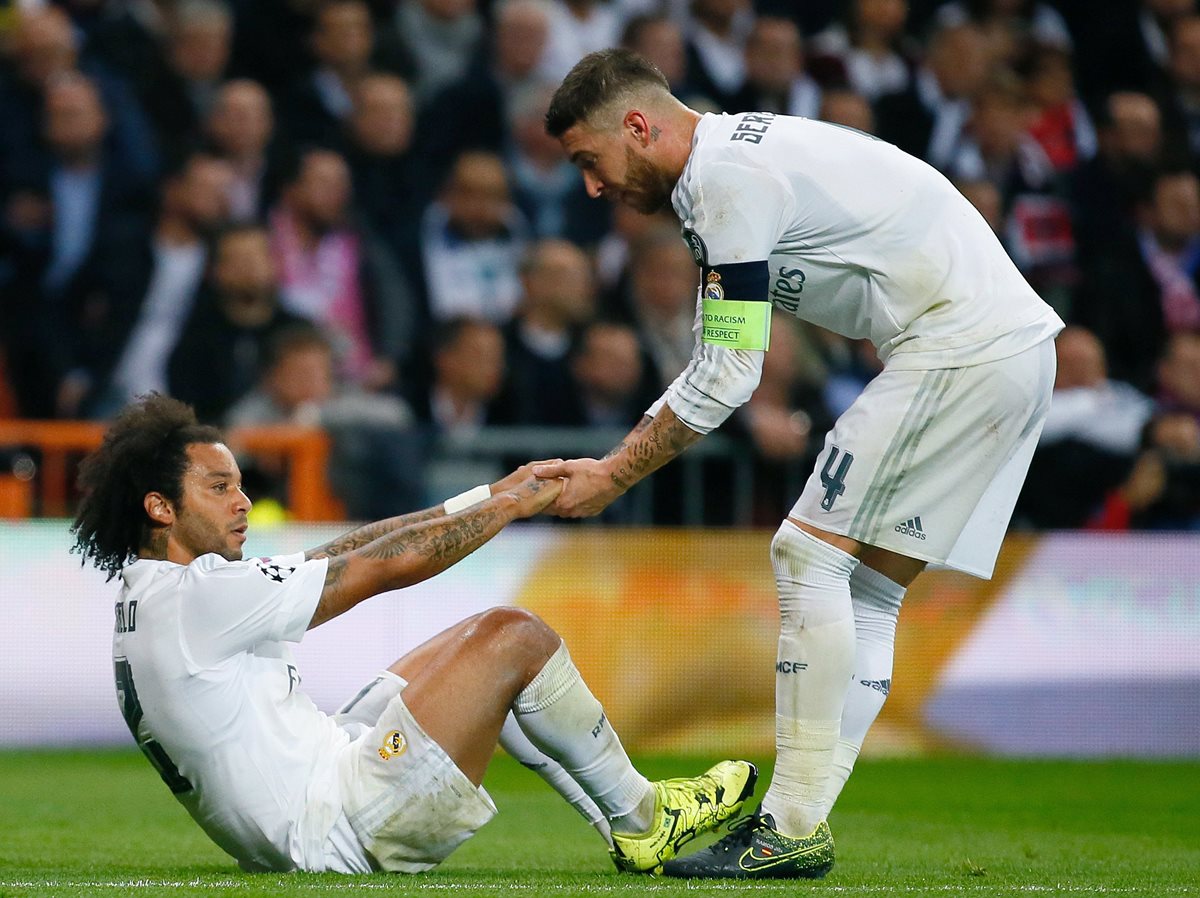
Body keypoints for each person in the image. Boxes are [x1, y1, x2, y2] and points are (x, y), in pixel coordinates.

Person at [538, 49, 1064, 878]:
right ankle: (798, 823)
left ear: (637, 126)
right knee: (871, 592)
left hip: (961, 346)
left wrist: (613, 473)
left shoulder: (722, 181)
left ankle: (789, 826)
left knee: (805, 553)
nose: (593, 188)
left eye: (589, 163)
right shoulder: (732, 163)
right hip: (1008, 348)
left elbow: (727, 371)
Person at [70, 393, 755, 875]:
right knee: (512, 637)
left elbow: (343, 552)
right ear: (160, 507)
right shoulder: (200, 597)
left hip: (327, 798)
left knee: (467, 651)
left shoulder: (160, 597)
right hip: (341, 834)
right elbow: (379, 566)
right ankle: (643, 816)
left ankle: (626, 825)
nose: (243, 501)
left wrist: (487, 495)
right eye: (219, 487)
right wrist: (514, 507)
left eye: (240, 484)